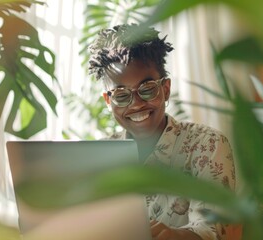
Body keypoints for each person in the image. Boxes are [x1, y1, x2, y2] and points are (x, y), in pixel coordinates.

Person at [88, 23, 237, 240]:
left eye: (147, 89)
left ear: (165, 89)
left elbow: (216, 230)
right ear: (109, 101)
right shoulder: (98, 156)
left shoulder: (208, 145)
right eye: (121, 95)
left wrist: (175, 236)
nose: (137, 104)